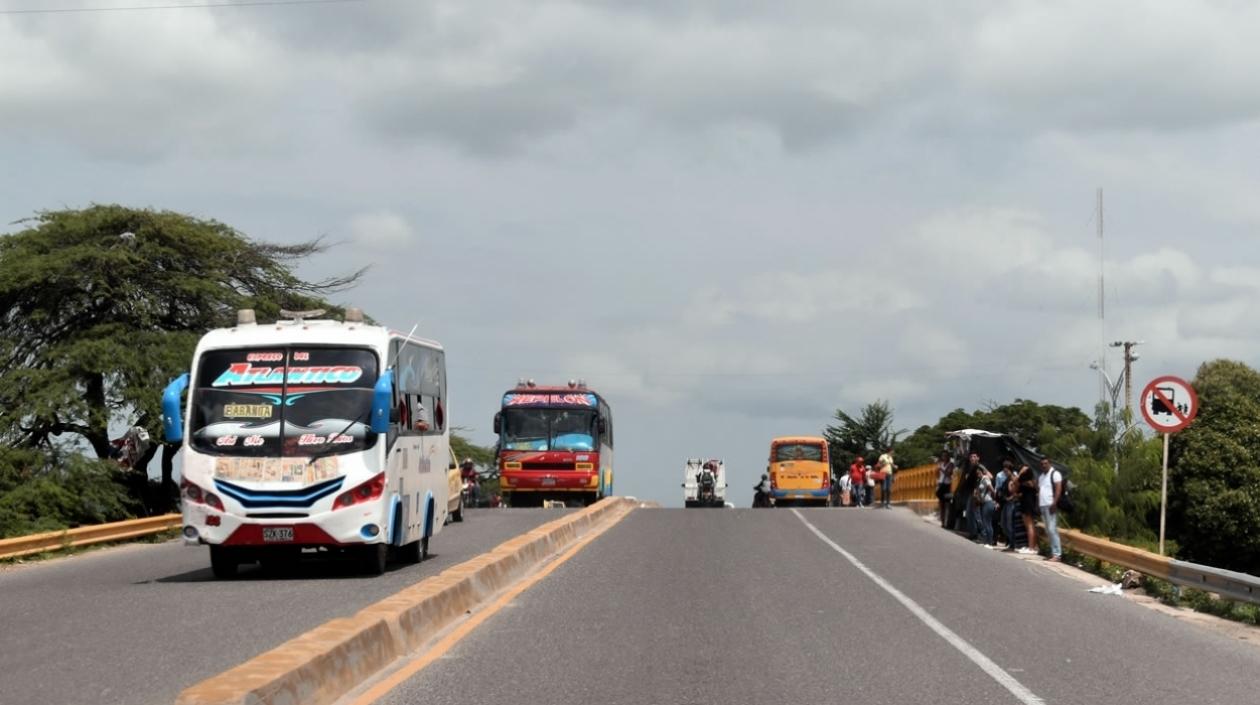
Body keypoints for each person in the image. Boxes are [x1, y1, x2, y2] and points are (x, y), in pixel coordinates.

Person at [1038, 457, 1064, 561]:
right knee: (1048, 531)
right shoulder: (1041, 477)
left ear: (1050, 464)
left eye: (1045, 463)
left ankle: (1057, 554)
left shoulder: (1055, 474)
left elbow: (1058, 489)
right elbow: (1040, 491)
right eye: (1042, 464)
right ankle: (1053, 552)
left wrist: (1054, 503)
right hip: (1043, 505)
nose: (1044, 465)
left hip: (1050, 505)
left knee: (1052, 529)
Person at [1017, 463, 1039, 554]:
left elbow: (1016, 481)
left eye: (1025, 470)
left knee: (1030, 525)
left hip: (1029, 504)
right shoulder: (1024, 481)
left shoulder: (1030, 482)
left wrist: (1020, 473)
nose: (1023, 471)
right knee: (1027, 526)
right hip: (1024, 503)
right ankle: (1031, 546)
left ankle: (1031, 548)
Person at [974, 464, 997, 546]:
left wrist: (994, 499)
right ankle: (987, 541)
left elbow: (991, 489)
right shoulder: (980, 480)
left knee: (988, 523)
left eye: (978, 472)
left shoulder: (985, 478)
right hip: (984, 503)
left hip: (988, 502)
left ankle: (989, 542)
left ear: (982, 471)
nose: (977, 473)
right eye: (977, 473)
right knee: (986, 522)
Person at [993, 460, 1014, 548]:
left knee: (1009, 523)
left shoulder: (1014, 477)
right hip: (1002, 501)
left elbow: (1015, 490)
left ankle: (1012, 542)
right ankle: (1009, 539)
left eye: (1007, 470)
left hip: (1010, 502)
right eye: (1004, 470)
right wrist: (996, 500)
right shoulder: (999, 475)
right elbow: (997, 489)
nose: (1005, 472)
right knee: (1002, 523)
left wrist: (1011, 497)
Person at [935, 451, 954, 528]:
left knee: (947, 505)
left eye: (945, 456)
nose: (944, 457)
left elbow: (948, 473)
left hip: (947, 485)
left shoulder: (950, 464)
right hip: (941, 484)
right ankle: (942, 522)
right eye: (943, 456)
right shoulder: (941, 464)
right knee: (941, 504)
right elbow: (938, 474)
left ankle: (946, 522)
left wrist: (941, 469)